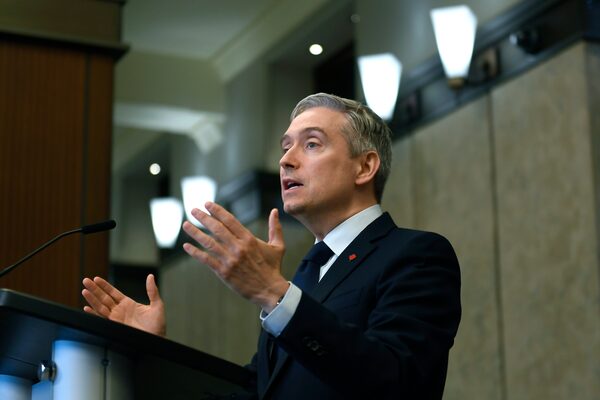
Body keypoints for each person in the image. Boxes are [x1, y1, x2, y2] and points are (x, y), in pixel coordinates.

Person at [82, 93, 461, 400]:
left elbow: (397, 382)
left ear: (364, 167)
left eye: (311, 144)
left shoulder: (416, 255)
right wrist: (152, 353)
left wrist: (274, 294)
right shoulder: (308, 273)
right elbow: (253, 393)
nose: (285, 160)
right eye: (285, 147)